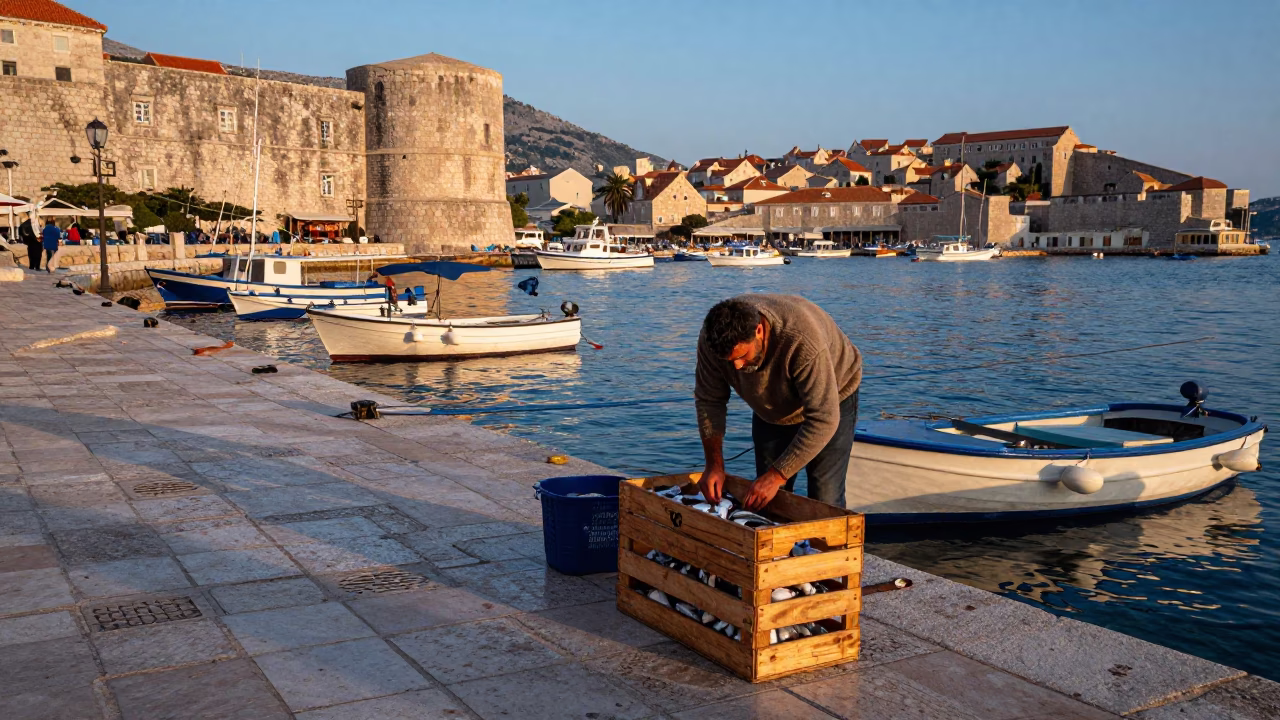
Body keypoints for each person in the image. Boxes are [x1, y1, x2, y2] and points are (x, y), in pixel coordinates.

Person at [694, 295, 862, 511]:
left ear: (759, 331)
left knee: (825, 496)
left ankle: (828, 545)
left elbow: (824, 419)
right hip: (772, 406)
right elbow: (709, 400)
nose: (737, 366)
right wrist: (714, 464)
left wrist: (778, 475)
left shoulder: (802, 340)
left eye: (743, 355)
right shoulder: (712, 341)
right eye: (730, 360)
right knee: (767, 500)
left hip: (833, 397)